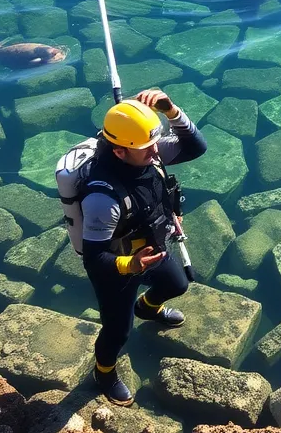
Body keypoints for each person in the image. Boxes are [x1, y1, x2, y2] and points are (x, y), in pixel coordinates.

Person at [81, 88, 207, 406]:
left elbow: (196, 147)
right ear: (121, 152)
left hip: (151, 247)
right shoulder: (102, 198)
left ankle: (147, 308)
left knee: (177, 284)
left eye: (155, 143)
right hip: (117, 267)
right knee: (118, 332)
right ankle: (104, 372)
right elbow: (94, 258)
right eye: (149, 147)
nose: (156, 152)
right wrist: (130, 266)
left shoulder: (142, 151)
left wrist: (171, 110)